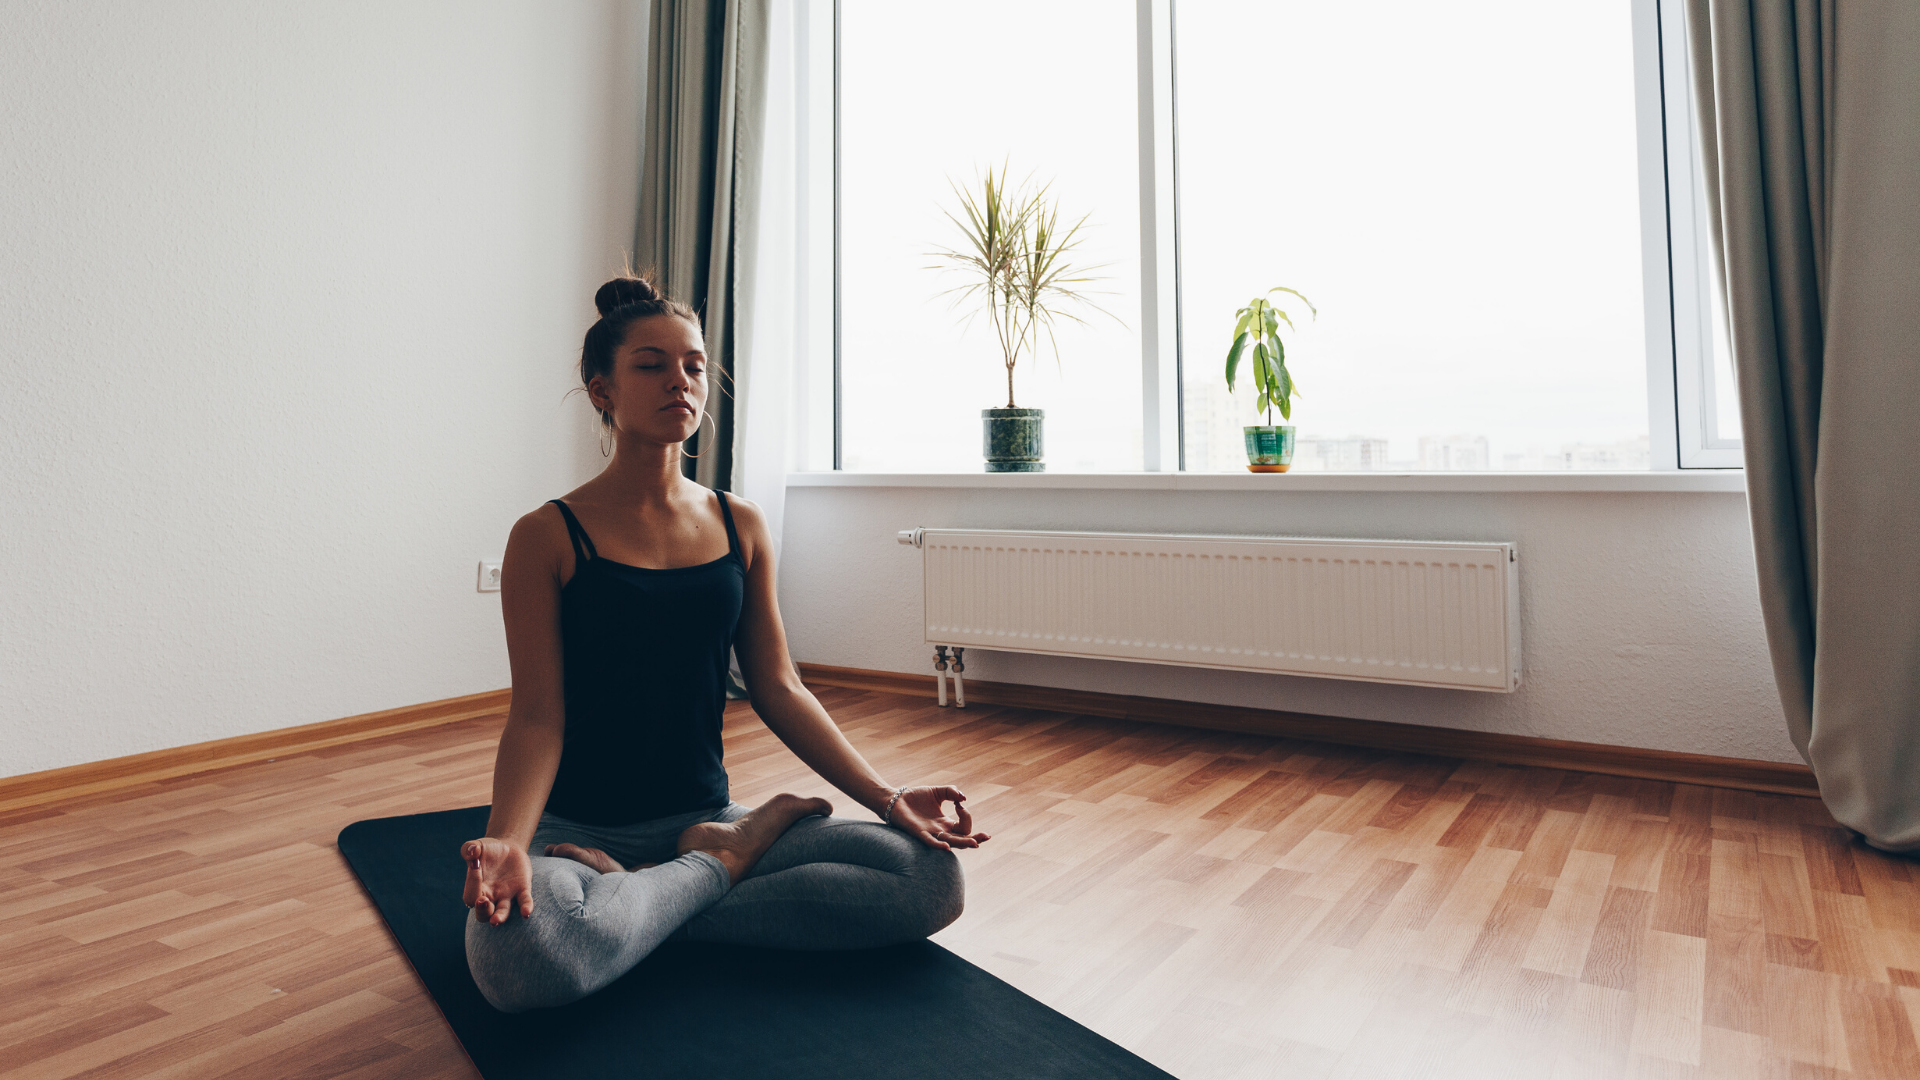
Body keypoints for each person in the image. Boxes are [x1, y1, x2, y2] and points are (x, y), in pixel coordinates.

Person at [460, 275, 989, 1013]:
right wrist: (510, 842)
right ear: (601, 392)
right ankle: (718, 869)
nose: (681, 380)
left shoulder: (740, 524)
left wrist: (889, 796)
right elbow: (537, 717)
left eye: (695, 365)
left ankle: (658, 892)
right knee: (518, 961)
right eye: (651, 365)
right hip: (575, 829)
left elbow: (778, 685)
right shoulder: (546, 536)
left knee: (928, 879)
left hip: (704, 814)